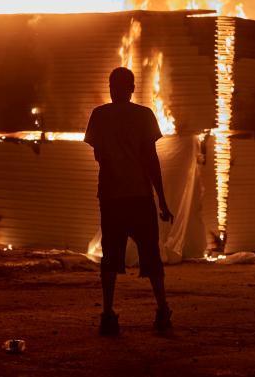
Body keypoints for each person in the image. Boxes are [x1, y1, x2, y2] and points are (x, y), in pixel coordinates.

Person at [84, 67, 174, 336]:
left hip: (112, 198)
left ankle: (108, 314)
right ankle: (162, 310)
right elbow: (151, 160)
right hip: (139, 197)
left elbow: (99, 155)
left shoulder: (99, 116)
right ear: (132, 88)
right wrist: (162, 200)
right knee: (151, 257)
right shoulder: (143, 116)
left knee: (110, 258)